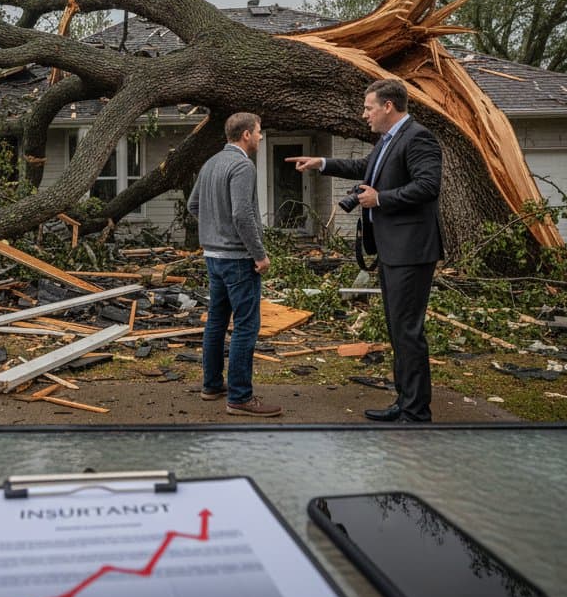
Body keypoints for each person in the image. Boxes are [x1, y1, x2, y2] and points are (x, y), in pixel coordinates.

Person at [287, 79, 443, 423]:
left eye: (368, 107)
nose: (364, 114)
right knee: (397, 327)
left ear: (388, 106)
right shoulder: (389, 141)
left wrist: (380, 199)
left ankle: (416, 411)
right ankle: (405, 402)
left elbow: (428, 186)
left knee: (407, 329)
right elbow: (365, 169)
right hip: (391, 249)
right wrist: (321, 163)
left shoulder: (418, 137)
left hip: (411, 250)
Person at [187, 112, 281, 418]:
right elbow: (243, 215)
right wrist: (259, 255)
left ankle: (212, 385)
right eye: (259, 132)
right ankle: (240, 397)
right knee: (245, 326)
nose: (261, 136)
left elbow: (193, 205)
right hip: (238, 260)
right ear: (245, 135)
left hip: (213, 258)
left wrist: (214, 232)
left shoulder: (212, 163)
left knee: (216, 321)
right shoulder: (242, 166)